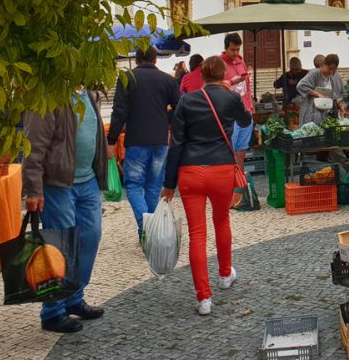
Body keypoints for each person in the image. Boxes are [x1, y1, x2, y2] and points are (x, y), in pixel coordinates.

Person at [161, 56, 253, 316]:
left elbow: (175, 143)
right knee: (222, 221)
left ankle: (203, 299)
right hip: (221, 168)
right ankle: (225, 274)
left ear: (201, 75)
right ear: (224, 74)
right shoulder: (230, 98)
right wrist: (231, 91)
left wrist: (169, 184)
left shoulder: (187, 100)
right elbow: (246, 121)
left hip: (190, 171)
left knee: (197, 234)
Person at [24, 86, 109, 333]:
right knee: (59, 247)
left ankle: (74, 298)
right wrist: (33, 189)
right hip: (58, 184)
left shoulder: (89, 94)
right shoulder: (48, 93)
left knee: (90, 239)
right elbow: (33, 144)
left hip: (88, 180)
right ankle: (52, 311)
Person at [108, 46, 181, 237]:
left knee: (133, 186)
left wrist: (111, 140)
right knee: (153, 187)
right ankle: (150, 231)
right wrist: (166, 118)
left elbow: (119, 112)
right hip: (159, 141)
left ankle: (147, 228)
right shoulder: (168, 80)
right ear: (155, 59)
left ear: (137, 59)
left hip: (136, 141)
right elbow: (180, 107)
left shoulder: (127, 79)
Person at [219, 34, 255, 168]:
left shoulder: (241, 62)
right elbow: (215, 86)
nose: (235, 53)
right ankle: (229, 179)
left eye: (238, 49)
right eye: (233, 49)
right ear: (226, 48)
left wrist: (250, 104)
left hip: (245, 111)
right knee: (230, 148)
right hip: (229, 115)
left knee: (242, 147)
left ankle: (239, 176)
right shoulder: (219, 64)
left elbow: (247, 86)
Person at [297, 53, 345, 126]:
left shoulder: (332, 78)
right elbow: (301, 86)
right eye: (329, 69)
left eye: (334, 70)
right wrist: (317, 94)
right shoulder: (314, 73)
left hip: (326, 114)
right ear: (323, 65)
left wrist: (339, 103)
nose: (331, 72)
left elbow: (332, 95)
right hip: (311, 113)